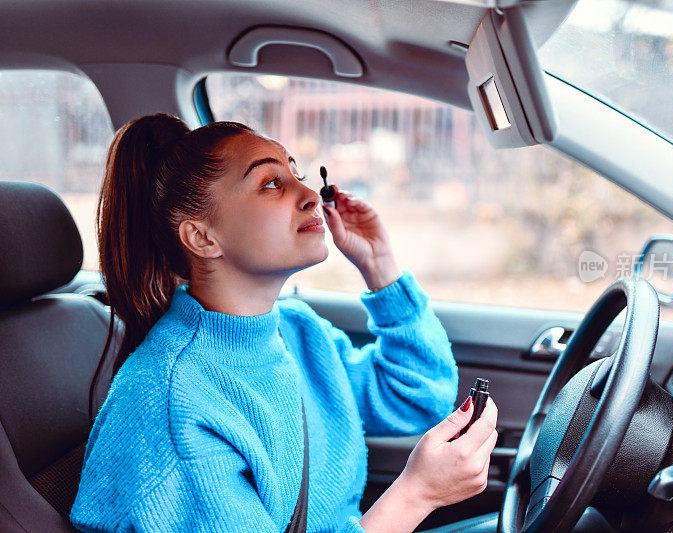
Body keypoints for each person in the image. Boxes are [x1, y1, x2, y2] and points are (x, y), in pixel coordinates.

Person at [69, 114, 499, 532]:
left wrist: (379, 265)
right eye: (272, 183)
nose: (312, 194)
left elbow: (417, 396)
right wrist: (416, 494)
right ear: (202, 237)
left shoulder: (296, 330)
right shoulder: (171, 407)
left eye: (299, 174)